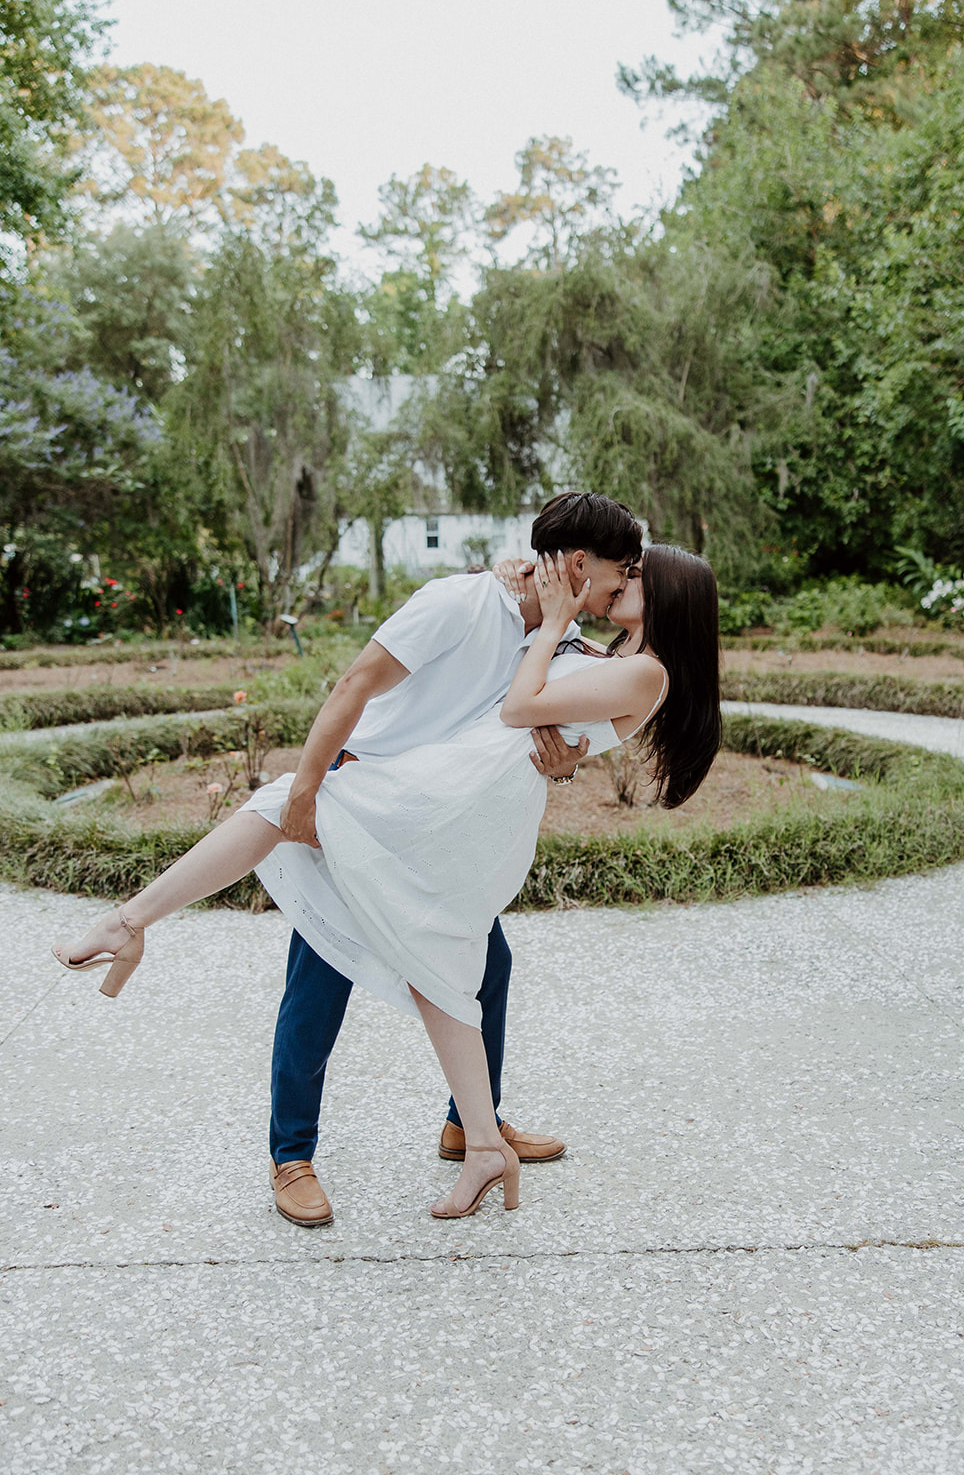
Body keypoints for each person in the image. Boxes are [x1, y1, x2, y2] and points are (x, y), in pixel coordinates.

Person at [54, 493, 648, 1222]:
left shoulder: (550, 639)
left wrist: (565, 760)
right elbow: (354, 683)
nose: (623, 585)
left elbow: (537, 724)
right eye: (620, 572)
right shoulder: (457, 603)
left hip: (430, 824)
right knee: (319, 984)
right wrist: (306, 791)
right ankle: (291, 1156)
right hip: (364, 799)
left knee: (487, 967)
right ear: (579, 565)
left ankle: (472, 1125)